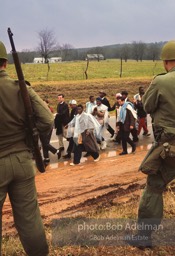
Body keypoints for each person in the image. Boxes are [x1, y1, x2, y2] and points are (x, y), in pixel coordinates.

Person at [0, 41, 53, 255]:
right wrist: (27, 136)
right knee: (29, 218)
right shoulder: (19, 88)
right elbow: (47, 120)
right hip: (22, 160)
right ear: (5, 62)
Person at [127, 40, 175, 249]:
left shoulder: (161, 81)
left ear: (166, 61)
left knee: (154, 187)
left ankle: (143, 236)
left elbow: (147, 105)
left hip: (169, 147)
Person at [54, 94, 69, 158]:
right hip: (59, 122)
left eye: (60, 98)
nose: (59, 99)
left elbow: (64, 113)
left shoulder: (65, 105)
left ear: (63, 98)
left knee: (65, 134)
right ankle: (61, 146)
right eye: (58, 98)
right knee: (59, 135)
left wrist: (57, 114)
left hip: (63, 122)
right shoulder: (58, 105)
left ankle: (71, 141)